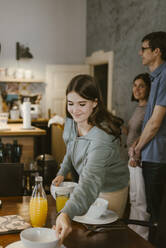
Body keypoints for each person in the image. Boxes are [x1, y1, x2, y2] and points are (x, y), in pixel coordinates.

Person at [53, 74, 129, 243]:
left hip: (110, 190)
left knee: (101, 239)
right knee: (82, 234)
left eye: (82, 104)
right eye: (70, 103)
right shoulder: (71, 122)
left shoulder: (101, 139)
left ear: (95, 102)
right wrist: (62, 171)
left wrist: (66, 213)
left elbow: (90, 181)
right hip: (88, 184)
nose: (75, 110)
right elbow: (71, 149)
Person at [129, 31, 166, 242]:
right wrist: (137, 143)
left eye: (144, 48)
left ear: (157, 51)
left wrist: (137, 148)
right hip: (153, 155)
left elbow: (155, 124)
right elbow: (149, 121)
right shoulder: (157, 78)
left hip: (161, 157)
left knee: (158, 216)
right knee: (152, 212)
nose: (140, 53)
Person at [125, 73, 151, 239]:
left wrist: (136, 156)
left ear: (149, 88)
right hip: (131, 158)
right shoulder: (139, 108)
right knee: (133, 198)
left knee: (140, 200)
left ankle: (142, 235)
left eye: (141, 85)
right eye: (135, 85)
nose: (137, 89)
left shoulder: (150, 109)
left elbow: (148, 135)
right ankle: (134, 229)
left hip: (139, 158)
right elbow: (136, 131)